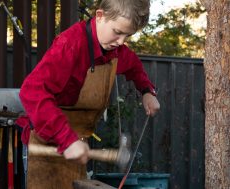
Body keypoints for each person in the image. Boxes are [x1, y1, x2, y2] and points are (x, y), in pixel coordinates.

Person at [15, 0, 160, 188]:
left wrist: (147, 91)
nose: (121, 41)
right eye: (117, 32)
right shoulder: (70, 45)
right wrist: (66, 139)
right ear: (100, 16)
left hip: (77, 142)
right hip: (46, 142)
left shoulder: (115, 50)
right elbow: (31, 91)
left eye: (128, 35)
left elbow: (134, 65)